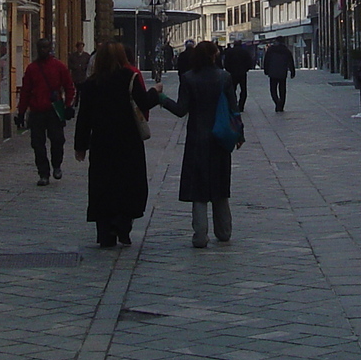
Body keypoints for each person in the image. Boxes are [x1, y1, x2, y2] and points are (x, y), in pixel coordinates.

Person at [154, 40, 235, 248]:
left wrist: (161, 98)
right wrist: (238, 134)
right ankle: (224, 231)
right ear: (213, 56)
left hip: (197, 138)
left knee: (199, 187)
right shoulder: (224, 77)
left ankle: (200, 235)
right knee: (220, 185)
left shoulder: (188, 78)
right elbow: (234, 109)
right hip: (219, 137)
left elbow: (181, 110)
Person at [73, 43, 154, 247]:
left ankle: (104, 232)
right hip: (128, 141)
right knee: (128, 183)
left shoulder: (91, 84)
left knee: (103, 185)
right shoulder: (129, 78)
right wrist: (156, 92)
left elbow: (84, 117)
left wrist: (80, 145)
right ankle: (123, 225)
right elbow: (143, 103)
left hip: (102, 142)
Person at [16, 38, 76, 186]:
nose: (43, 50)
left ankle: (56, 165)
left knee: (57, 140)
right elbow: (25, 92)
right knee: (37, 144)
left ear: (50, 48)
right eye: (40, 47)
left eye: (45, 47)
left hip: (54, 110)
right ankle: (43, 173)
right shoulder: (32, 69)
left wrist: (68, 105)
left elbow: (69, 86)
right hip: (36, 111)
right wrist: (21, 112)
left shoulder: (59, 67)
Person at [261, 36, 296, 112]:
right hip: (282, 73)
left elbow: (266, 60)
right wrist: (292, 72)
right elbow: (291, 61)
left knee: (273, 89)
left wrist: (266, 70)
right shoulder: (286, 50)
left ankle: (277, 102)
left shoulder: (271, 50)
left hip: (272, 72)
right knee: (282, 90)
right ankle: (281, 105)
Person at [221, 40, 253, 110]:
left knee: (232, 89)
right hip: (242, 73)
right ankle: (241, 105)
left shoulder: (230, 52)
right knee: (243, 89)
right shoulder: (244, 52)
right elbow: (249, 62)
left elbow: (226, 62)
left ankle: (234, 104)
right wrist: (246, 69)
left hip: (232, 73)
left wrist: (228, 70)